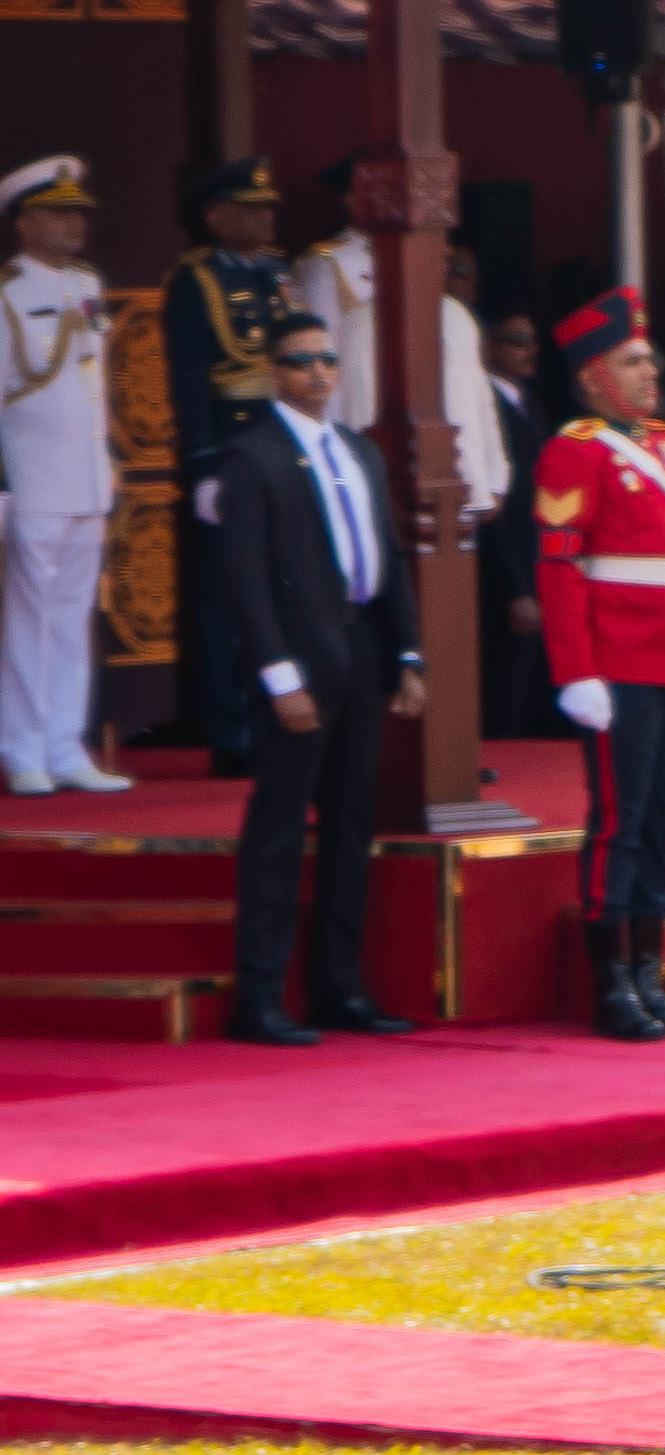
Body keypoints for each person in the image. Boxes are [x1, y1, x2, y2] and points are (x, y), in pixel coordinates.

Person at [219, 312, 427, 1045]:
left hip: (363, 649)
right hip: (301, 659)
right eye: (299, 360)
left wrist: (408, 653)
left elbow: (388, 556)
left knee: (351, 821)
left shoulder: (359, 450)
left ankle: (340, 987)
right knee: (279, 826)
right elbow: (245, 580)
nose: (316, 371)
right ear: (273, 371)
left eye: (326, 359)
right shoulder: (252, 457)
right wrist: (280, 677)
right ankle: (260, 997)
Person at [533, 288, 665, 1043]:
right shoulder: (575, 449)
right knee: (620, 822)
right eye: (632, 362)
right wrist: (576, 671)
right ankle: (611, 984)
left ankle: (650, 975)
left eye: (649, 360)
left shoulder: (662, 441)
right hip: (615, 664)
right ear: (593, 376)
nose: (651, 373)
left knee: (660, 820)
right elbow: (559, 567)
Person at [0, 158, 126, 794]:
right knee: (31, 619)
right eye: (58, 213)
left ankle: (66, 745)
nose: (74, 224)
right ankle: (23, 750)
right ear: (23, 223)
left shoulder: (86, 282)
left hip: (85, 478)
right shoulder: (7, 293)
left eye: (79, 213)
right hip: (32, 478)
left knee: (74, 617)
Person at [287, 168, 506, 519]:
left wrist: (494, 479)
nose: (445, 251)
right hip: (379, 465)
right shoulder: (334, 274)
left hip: (458, 478)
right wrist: (336, 470)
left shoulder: (455, 315)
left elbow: (479, 396)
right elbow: (330, 382)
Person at [166, 158, 290, 776]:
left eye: (267, 207)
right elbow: (190, 378)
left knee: (286, 589)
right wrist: (203, 464)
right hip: (232, 444)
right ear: (216, 216)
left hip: (281, 443)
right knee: (228, 598)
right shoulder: (197, 279)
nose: (265, 217)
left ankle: (279, 719)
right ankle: (231, 732)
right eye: (250, 208)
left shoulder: (278, 273)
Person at [478, 308, 549, 739]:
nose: (530, 351)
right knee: (505, 685)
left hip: (538, 559)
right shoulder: (487, 404)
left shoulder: (530, 402)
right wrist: (515, 588)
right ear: (489, 347)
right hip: (506, 567)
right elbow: (494, 506)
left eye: (532, 341)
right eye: (518, 341)